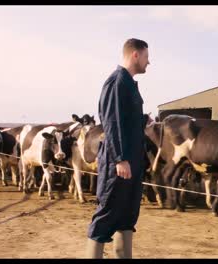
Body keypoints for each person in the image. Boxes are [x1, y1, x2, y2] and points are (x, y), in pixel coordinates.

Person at [85, 38, 150, 259]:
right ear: (135, 55)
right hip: (118, 165)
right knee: (106, 217)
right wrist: (120, 159)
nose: (148, 62)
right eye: (146, 57)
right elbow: (111, 123)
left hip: (132, 164)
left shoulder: (129, 83)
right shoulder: (116, 82)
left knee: (127, 218)